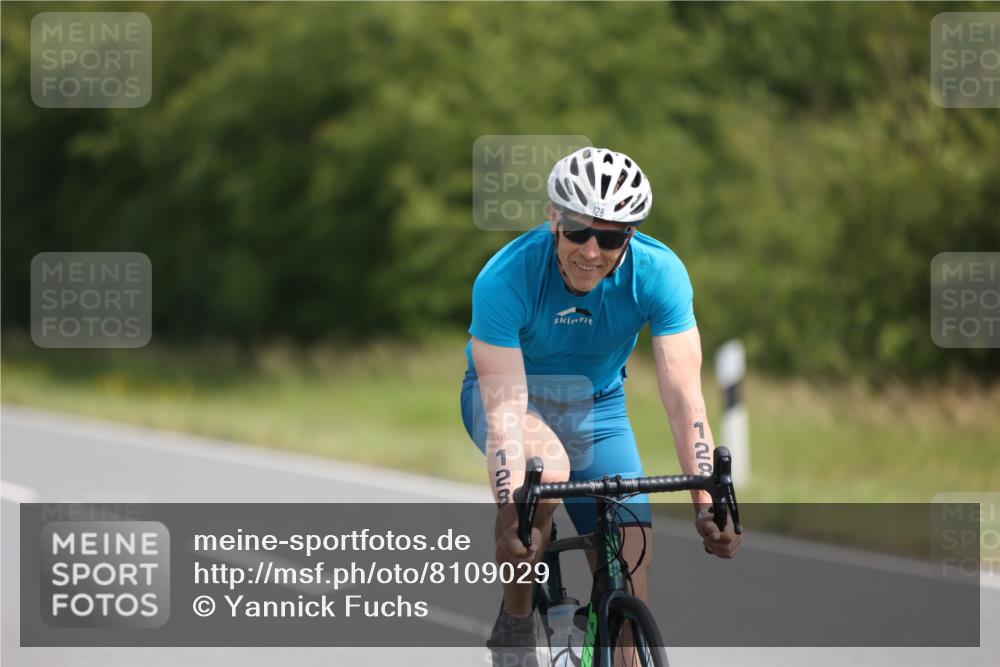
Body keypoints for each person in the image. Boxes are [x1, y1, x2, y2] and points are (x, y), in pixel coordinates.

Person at [460, 147, 742, 661]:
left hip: (598, 408)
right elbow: (505, 415)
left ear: (629, 236)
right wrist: (513, 509)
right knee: (547, 474)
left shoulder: (659, 273)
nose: (591, 251)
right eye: (578, 231)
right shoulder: (505, 277)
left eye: (610, 238)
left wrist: (708, 504)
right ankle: (516, 624)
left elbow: (685, 399)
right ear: (555, 219)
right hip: (511, 401)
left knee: (631, 576)